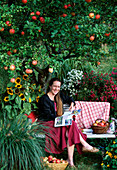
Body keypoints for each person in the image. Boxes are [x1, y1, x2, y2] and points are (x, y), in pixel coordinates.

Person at [37, 78, 99, 167]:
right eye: (54, 86)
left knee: (70, 130)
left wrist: (72, 104)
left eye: (58, 87)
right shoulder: (44, 99)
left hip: (57, 122)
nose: (56, 88)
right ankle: (84, 146)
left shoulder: (59, 96)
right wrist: (62, 119)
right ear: (50, 86)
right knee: (71, 126)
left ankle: (70, 160)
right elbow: (48, 116)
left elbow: (70, 98)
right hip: (47, 123)